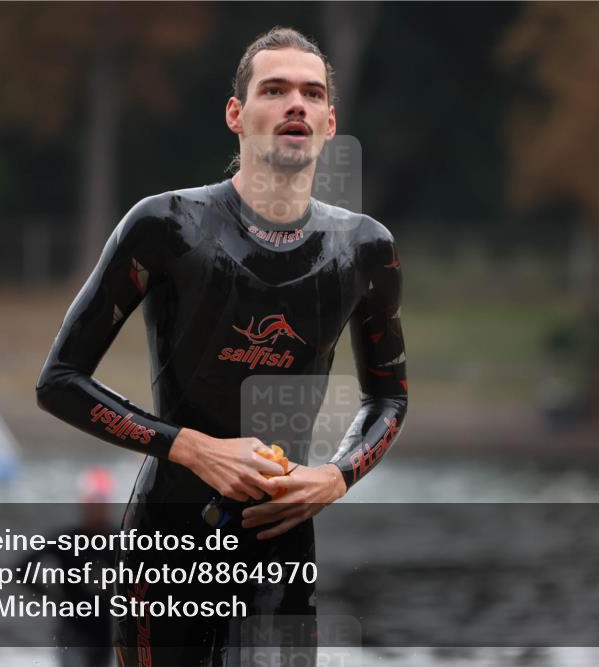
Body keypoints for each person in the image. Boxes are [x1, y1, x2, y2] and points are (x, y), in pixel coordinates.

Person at [36, 26, 407, 667]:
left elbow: (389, 396)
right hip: (166, 536)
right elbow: (60, 381)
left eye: (311, 93)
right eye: (276, 89)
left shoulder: (364, 248)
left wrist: (335, 475)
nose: (296, 103)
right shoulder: (166, 225)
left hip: (281, 536)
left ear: (329, 121)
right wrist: (190, 447)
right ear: (237, 114)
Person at [18, 467, 118, 667]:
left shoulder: (119, 541)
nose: (97, 510)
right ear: (83, 504)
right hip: (74, 632)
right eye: (93, 504)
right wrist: (53, 596)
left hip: (106, 633)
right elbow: (23, 569)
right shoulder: (67, 540)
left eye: (102, 504)